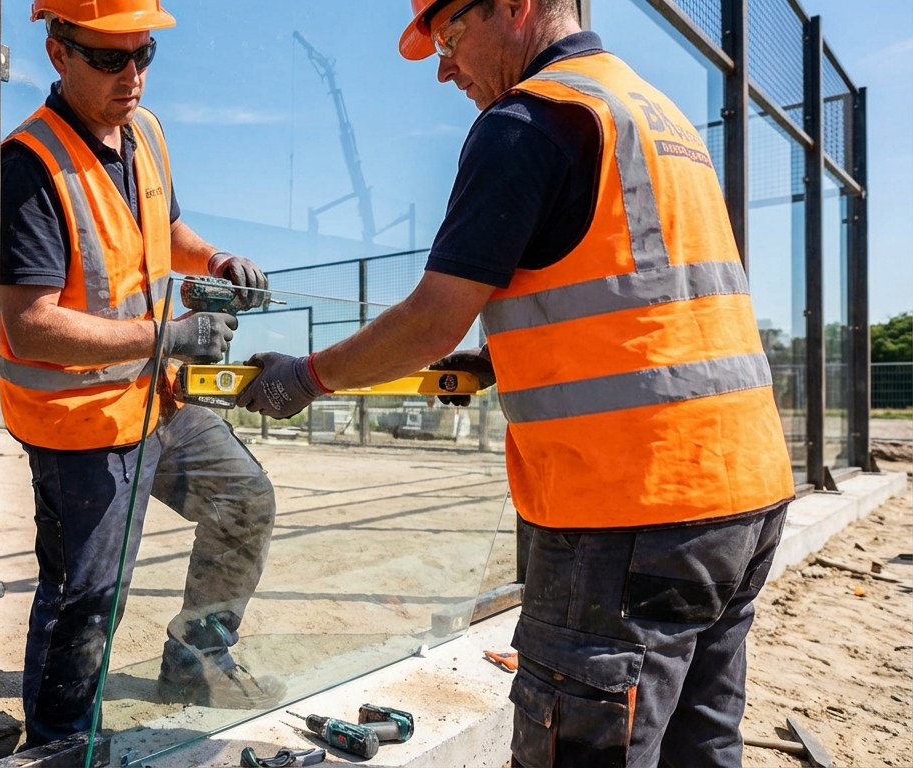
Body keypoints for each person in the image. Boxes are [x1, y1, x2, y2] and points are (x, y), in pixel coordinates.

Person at [236, 0, 796, 765]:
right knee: (700, 747)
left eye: (450, 36)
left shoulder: (528, 122)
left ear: (515, 6)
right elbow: (645, 296)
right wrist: (500, 360)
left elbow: (433, 320)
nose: (443, 66)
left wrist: (300, 378)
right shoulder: (649, 112)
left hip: (628, 510)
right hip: (744, 495)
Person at [0, 0, 284, 749]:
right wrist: (174, 334)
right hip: (80, 421)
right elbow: (29, 323)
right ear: (58, 53)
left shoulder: (143, 131)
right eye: (109, 58)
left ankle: (198, 660)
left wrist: (216, 259)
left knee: (243, 499)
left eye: (144, 54)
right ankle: (60, 740)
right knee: (88, 593)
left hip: (152, 398)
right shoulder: (28, 166)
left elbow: (165, 228)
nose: (133, 75)